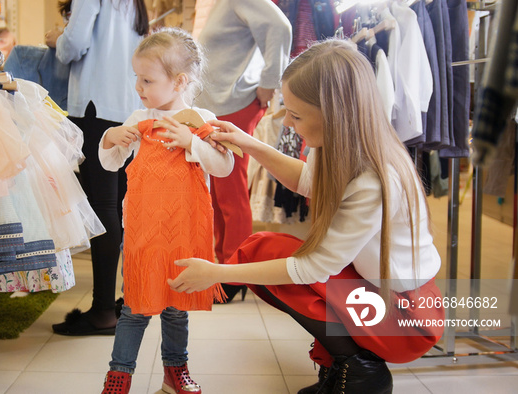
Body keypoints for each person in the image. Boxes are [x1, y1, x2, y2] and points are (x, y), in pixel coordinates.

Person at [168, 39, 444, 394]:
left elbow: (313, 268)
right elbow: (306, 181)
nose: (286, 122)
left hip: (406, 317)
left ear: (334, 114)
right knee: (260, 249)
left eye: (296, 115)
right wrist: (248, 142)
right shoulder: (338, 146)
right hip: (377, 289)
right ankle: (344, 359)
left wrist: (218, 272)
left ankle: (361, 371)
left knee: (272, 261)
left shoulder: (374, 179)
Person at [98, 28, 234, 394]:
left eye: (147, 79)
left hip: (184, 229)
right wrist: (111, 138)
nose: (139, 87)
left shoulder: (200, 117)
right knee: (135, 306)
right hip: (143, 229)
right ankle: (119, 375)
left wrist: (193, 142)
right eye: (136, 78)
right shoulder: (138, 117)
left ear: (179, 81)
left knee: (176, 306)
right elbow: (111, 163)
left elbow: (224, 166)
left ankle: (175, 371)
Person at [45, 0, 149, 336]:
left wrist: (56, 39)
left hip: (95, 106)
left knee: (103, 208)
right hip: (127, 106)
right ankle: (121, 300)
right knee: (117, 207)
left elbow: (73, 45)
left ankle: (104, 309)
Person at [195, 0, 293, 302]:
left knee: (230, 193)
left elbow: (281, 26)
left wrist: (270, 82)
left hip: (232, 106)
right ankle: (224, 270)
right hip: (218, 107)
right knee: (217, 193)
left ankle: (234, 275)